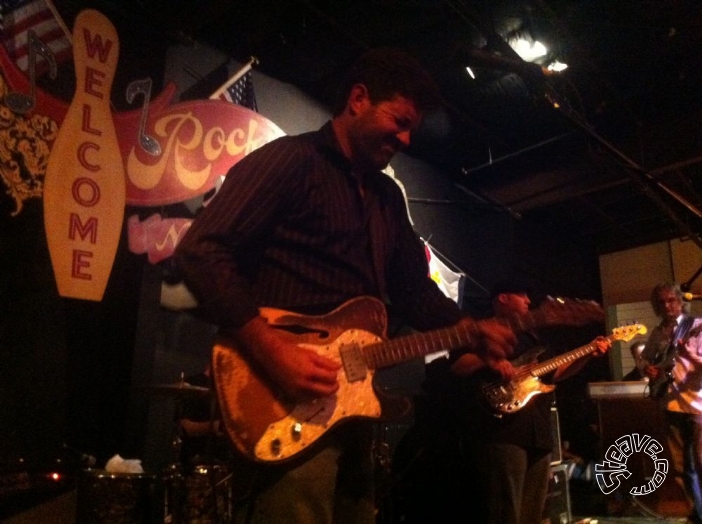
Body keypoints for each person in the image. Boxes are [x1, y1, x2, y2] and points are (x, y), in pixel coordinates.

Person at [172, 47, 516, 524]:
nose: (406, 138)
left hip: (352, 408)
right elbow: (200, 251)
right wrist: (271, 350)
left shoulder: (387, 197)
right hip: (281, 400)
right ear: (358, 99)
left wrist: (471, 328)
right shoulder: (291, 160)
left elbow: (413, 290)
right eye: (399, 120)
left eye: (411, 127)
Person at [420, 278, 610, 524]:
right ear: (502, 298)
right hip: (502, 432)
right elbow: (457, 366)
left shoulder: (535, 339)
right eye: (521, 294)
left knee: (532, 514)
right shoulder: (481, 332)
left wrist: (587, 353)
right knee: (504, 513)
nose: (528, 301)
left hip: (538, 434)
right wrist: (490, 361)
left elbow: (557, 372)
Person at [641, 282, 702, 524]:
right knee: (680, 468)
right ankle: (697, 514)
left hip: (698, 405)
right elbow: (645, 360)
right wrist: (649, 369)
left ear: (681, 301)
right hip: (669, 404)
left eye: (671, 300)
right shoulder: (657, 333)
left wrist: (690, 356)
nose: (667, 306)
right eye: (661, 302)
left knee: (700, 462)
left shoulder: (696, 327)